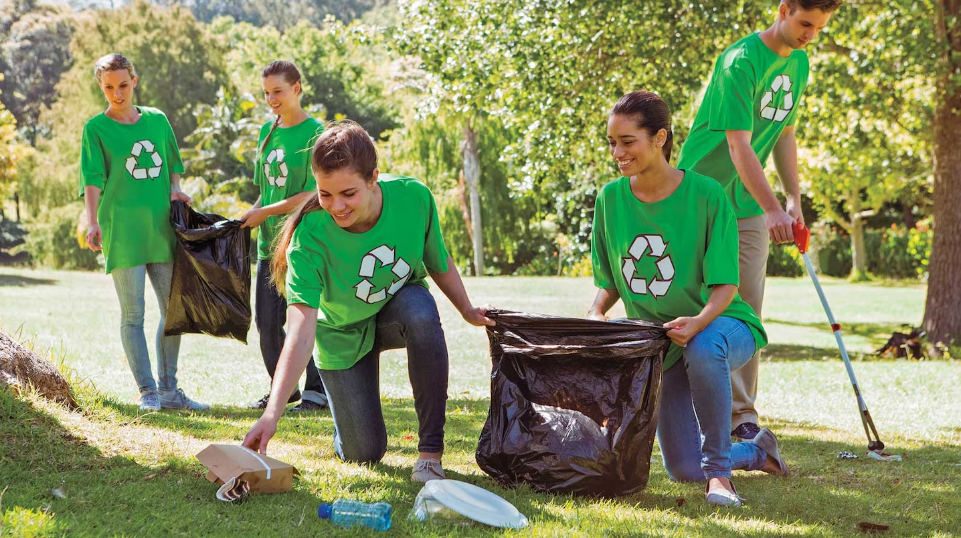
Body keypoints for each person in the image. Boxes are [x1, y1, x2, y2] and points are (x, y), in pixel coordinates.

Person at [242, 120, 493, 482]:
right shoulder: (309, 237)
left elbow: (437, 259)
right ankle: (347, 425)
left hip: (395, 312)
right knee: (364, 453)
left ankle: (429, 453)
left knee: (421, 310)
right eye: (325, 194)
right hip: (341, 334)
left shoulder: (414, 197)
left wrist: (467, 310)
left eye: (348, 193)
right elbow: (299, 331)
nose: (336, 206)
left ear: (373, 177)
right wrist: (272, 413)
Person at [588, 91, 788, 507]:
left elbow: (725, 287)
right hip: (666, 342)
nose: (617, 152)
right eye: (612, 142)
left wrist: (698, 322)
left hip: (724, 325)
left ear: (659, 138)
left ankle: (720, 478)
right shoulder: (609, 200)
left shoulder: (707, 194)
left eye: (628, 142)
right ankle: (756, 451)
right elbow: (610, 280)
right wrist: (597, 311)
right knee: (681, 468)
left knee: (704, 344)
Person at [676, 0, 842, 441]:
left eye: (819, 28)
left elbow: (785, 133)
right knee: (700, 303)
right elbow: (738, 146)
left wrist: (791, 199)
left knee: (746, 308)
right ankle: (682, 411)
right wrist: (771, 207)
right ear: (784, 9)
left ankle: (741, 420)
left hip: (748, 201)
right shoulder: (740, 61)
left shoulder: (800, 64)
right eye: (805, 23)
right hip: (702, 196)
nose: (810, 34)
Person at [80, 53, 208, 412]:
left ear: (134, 81)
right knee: (132, 315)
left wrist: (175, 188)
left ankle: (170, 390)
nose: (117, 93)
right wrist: (91, 221)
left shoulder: (157, 120)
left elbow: (172, 165)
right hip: (121, 231)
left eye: (122, 85)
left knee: (173, 311)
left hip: (161, 229)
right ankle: (147, 391)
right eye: (109, 87)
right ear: (101, 87)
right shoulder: (96, 129)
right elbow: (92, 179)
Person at [240, 60, 329, 412]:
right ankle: (285, 388)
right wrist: (253, 212)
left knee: (305, 318)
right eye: (266, 93)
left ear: (297, 88)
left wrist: (265, 212)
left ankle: (316, 392)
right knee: (266, 324)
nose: (271, 99)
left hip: (303, 243)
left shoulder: (316, 134)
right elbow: (268, 190)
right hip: (267, 245)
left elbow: (311, 195)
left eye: (277, 91)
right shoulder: (267, 132)